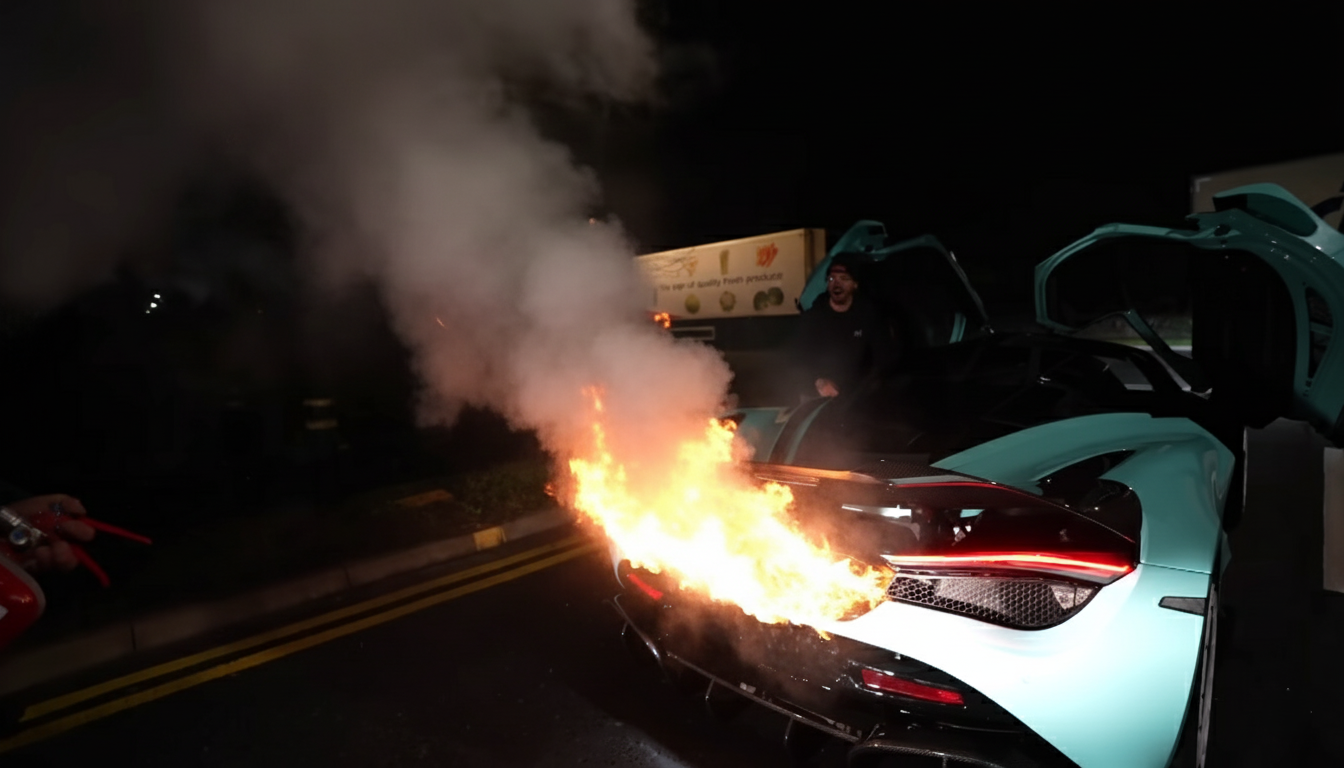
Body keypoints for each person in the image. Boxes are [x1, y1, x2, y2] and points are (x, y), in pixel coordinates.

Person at [792, 253, 898, 399]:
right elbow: (798, 359)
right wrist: (818, 382)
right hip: (819, 395)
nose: (836, 284)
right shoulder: (814, 316)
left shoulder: (868, 314)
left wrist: (868, 386)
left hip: (859, 395)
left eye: (844, 279)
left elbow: (884, 358)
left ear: (855, 284)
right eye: (832, 279)